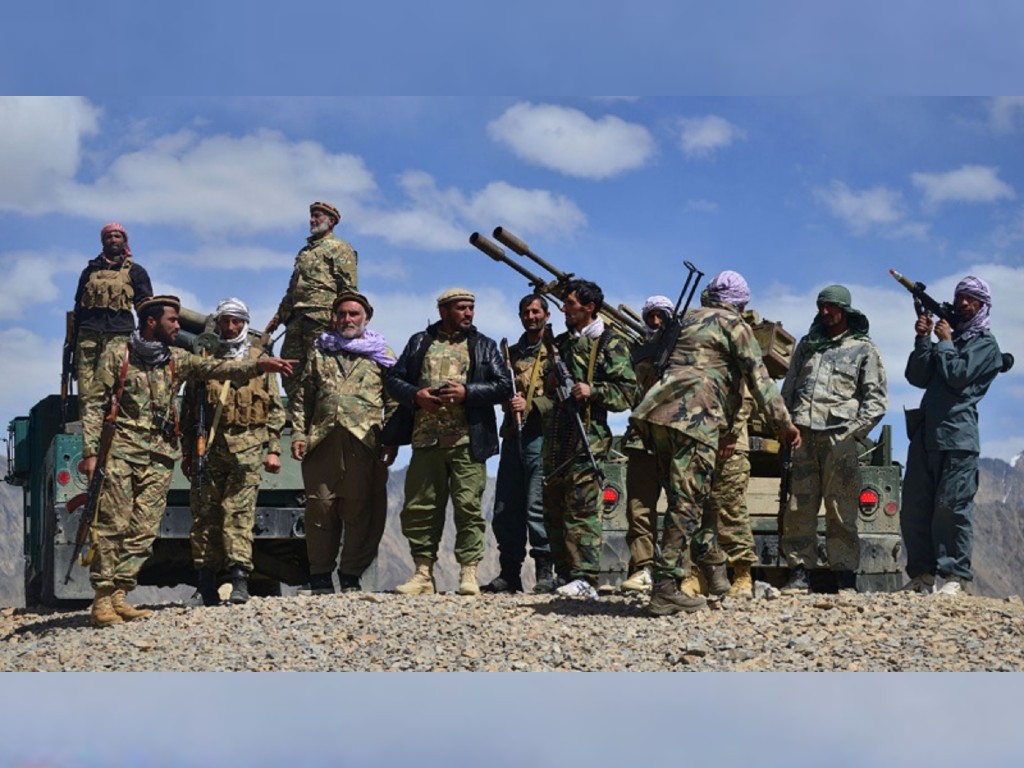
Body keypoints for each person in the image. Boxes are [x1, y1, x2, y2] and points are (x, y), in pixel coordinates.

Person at [80, 296, 296, 628]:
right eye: (172, 321)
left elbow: (219, 367)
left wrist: (258, 366)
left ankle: (121, 594)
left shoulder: (176, 359)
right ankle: (103, 599)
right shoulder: (118, 356)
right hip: (122, 451)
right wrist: (91, 452)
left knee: (145, 530)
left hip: (160, 457)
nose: (178, 327)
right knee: (113, 525)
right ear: (152, 322)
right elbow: (94, 404)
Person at [631, 270, 801, 617]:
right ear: (740, 304)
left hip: (656, 415)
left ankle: (715, 574)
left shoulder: (684, 321)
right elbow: (759, 379)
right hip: (695, 418)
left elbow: (649, 363)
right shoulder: (732, 324)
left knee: (692, 498)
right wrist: (784, 426)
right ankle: (665, 588)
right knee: (687, 504)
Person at [382, 288, 511, 596]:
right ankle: (423, 574)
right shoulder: (419, 343)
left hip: (468, 440)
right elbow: (394, 380)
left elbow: (504, 386)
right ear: (443, 311)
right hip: (426, 440)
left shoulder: (483, 345)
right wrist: (416, 396)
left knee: (468, 506)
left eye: (471, 308)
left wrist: (468, 393)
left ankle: (468, 573)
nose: (468, 313)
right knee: (421, 507)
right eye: (461, 308)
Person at [901, 277, 1008, 597]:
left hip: (958, 438)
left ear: (982, 305)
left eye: (971, 299)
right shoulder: (950, 339)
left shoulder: (985, 346)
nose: (963, 303)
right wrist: (922, 340)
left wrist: (945, 342)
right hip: (926, 436)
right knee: (915, 507)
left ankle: (954, 577)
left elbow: (958, 376)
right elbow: (917, 377)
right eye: (960, 297)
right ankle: (921, 574)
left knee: (951, 507)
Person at [779, 285, 887, 593]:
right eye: (821, 307)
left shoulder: (864, 348)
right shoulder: (807, 346)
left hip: (840, 437)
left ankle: (844, 574)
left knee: (841, 507)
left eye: (832, 307)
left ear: (845, 311)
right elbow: (788, 391)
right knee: (799, 504)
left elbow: (875, 400)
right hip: (803, 435)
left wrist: (852, 434)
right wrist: (786, 425)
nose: (825, 313)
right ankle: (800, 571)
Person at [289, 291, 397, 595]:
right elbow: (302, 398)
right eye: (342, 314)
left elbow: (396, 401)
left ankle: (351, 574)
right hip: (323, 440)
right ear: (334, 318)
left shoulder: (382, 355)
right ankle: (320, 574)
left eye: (354, 314)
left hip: (364, 442)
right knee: (320, 509)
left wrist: (390, 440)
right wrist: (298, 433)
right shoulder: (320, 352)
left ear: (366, 318)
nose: (347, 319)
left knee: (361, 509)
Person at [180, 298, 286, 606]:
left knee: (238, 515)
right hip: (209, 449)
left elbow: (276, 410)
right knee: (204, 517)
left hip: (248, 447)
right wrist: (188, 453)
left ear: (245, 323)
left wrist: (273, 450)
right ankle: (205, 583)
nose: (230, 327)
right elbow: (190, 412)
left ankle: (240, 579)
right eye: (225, 321)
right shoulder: (204, 358)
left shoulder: (260, 360)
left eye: (236, 321)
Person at [543, 279, 638, 599]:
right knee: (555, 506)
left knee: (583, 508)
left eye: (569, 303)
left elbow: (627, 393)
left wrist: (592, 390)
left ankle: (586, 576)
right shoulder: (562, 343)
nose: (563, 309)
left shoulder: (611, 343)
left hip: (589, 435)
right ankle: (566, 572)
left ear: (589, 307)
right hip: (559, 434)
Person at [481, 294, 554, 593]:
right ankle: (510, 573)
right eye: (526, 312)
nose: (531, 316)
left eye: (536, 311)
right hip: (513, 437)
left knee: (537, 506)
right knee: (506, 507)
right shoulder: (508, 355)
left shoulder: (556, 353)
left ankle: (545, 574)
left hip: (541, 437)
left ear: (547, 315)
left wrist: (532, 404)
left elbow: (561, 397)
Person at [265, 201, 358, 401]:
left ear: (331, 221)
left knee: (320, 368)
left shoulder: (341, 249)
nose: (312, 220)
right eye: (312, 215)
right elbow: (292, 289)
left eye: (317, 216)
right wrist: (279, 316)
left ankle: (317, 412)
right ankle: (298, 413)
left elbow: (349, 289)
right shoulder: (305, 252)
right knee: (290, 368)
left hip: (321, 318)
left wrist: (339, 317)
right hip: (296, 319)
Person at [620, 295, 673, 593]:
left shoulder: (685, 349)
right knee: (639, 508)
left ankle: (681, 572)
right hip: (642, 439)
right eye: (650, 316)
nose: (654, 322)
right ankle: (643, 567)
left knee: (681, 507)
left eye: (661, 316)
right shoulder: (637, 351)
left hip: (674, 437)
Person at [72, 222, 153, 399]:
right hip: (89, 335)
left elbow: (146, 308)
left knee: (118, 386)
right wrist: (73, 342)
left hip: (120, 334)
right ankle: (90, 425)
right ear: (103, 241)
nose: (113, 240)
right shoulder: (90, 270)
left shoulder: (136, 271)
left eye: (117, 236)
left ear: (124, 240)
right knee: (87, 391)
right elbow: (78, 307)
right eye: (109, 236)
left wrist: (144, 342)